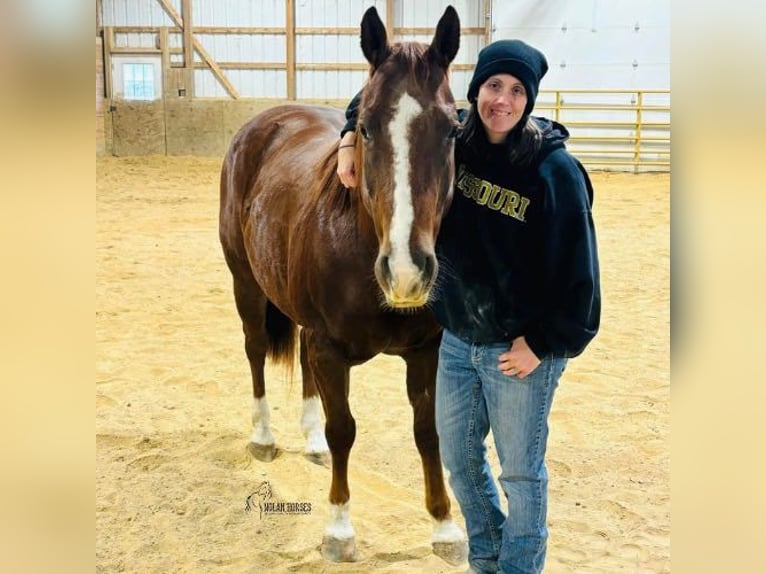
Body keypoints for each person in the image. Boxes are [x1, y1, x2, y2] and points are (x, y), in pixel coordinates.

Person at [337, 39, 600, 574]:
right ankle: (486, 560)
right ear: (474, 90)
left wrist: (546, 344)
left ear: (530, 100)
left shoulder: (556, 172)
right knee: (459, 463)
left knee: (521, 474)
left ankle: (518, 567)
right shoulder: (456, 137)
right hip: (457, 343)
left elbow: (582, 280)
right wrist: (347, 136)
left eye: (516, 90)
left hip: (519, 351)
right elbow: (387, 102)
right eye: (493, 86)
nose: (502, 100)